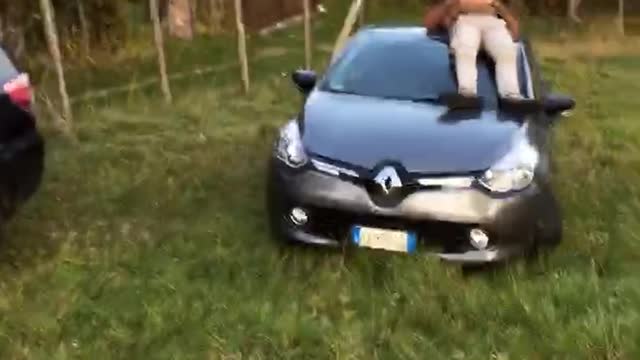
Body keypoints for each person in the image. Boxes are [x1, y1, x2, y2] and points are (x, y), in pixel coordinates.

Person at [424, 0, 528, 106]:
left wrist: (498, 7)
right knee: (465, 48)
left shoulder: (498, 9)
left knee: (506, 50)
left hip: (493, 22)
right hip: (465, 20)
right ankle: (467, 93)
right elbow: (430, 24)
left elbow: (515, 33)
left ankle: (511, 95)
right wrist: (452, 10)